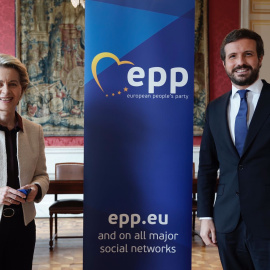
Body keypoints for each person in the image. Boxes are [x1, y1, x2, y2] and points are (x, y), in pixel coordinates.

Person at [197, 28, 270, 270]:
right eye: (233, 56)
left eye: (248, 54)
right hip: (227, 222)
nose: (240, 62)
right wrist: (205, 216)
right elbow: (208, 167)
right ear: (224, 63)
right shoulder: (214, 109)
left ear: (260, 58)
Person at [0, 54, 49, 270]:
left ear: (22, 89)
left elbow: (42, 175)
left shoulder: (34, 130)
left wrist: (37, 188)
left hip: (24, 226)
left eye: (12, 84)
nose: (5, 91)